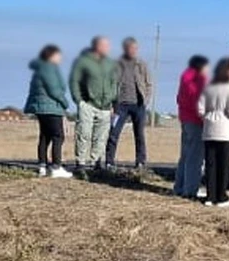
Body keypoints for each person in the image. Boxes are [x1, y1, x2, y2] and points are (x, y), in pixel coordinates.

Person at [23, 44, 73, 179]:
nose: (60, 58)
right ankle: (56, 166)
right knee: (58, 136)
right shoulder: (49, 69)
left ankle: (42, 165)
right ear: (51, 56)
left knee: (45, 136)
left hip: (40, 107)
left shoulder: (38, 69)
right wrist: (65, 103)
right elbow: (54, 90)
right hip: (51, 107)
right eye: (58, 55)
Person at [198, 58, 229, 207]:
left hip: (210, 128)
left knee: (211, 163)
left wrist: (208, 117)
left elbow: (200, 108)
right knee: (224, 164)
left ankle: (210, 196)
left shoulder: (209, 86)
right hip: (226, 129)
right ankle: (221, 196)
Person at [105, 37, 154, 170]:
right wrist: (111, 104)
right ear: (125, 48)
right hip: (120, 105)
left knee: (139, 134)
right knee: (114, 133)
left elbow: (149, 84)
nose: (133, 51)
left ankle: (140, 162)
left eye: (135, 48)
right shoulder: (116, 64)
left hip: (138, 105)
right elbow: (109, 84)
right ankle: (109, 161)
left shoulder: (141, 64)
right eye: (131, 48)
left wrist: (146, 100)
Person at [70, 36, 117, 170]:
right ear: (96, 46)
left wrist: (112, 98)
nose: (107, 48)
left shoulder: (111, 64)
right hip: (88, 104)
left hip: (105, 106)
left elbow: (115, 83)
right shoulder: (83, 62)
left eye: (108, 46)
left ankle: (96, 161)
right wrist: (79, 100)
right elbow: (75, 81)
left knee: (101, 136)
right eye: (104, 45)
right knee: (84, 133)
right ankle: (81, 162)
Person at [174, 54, 209, 199]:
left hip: (185, 119)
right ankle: (190, 189)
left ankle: (180, 186)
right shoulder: (199, 79)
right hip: (196, 120)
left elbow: (179, 98)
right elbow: (200, 99)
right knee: (195, 157)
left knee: (186, 155)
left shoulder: (185, 77)